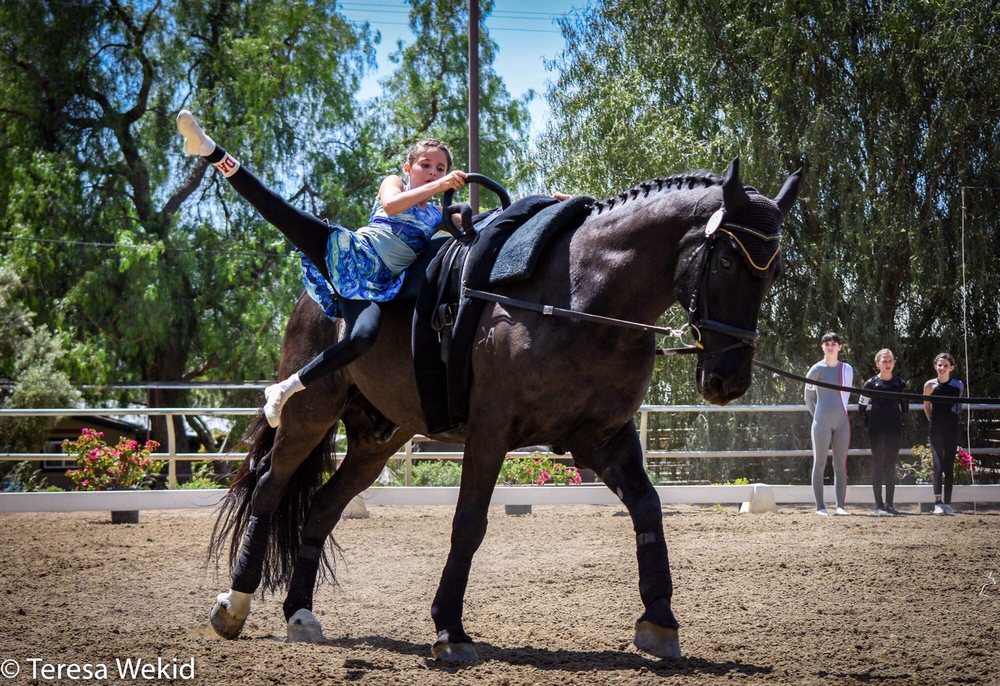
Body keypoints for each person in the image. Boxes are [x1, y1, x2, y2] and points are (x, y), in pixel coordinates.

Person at [176, 110, 467, 429]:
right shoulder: (393, 183)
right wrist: (441, 184)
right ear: (408, 168)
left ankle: (285, 388)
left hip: (374, 285)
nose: (433, 172)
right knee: (280, 210)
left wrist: (468, 216)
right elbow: (392, 205)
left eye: (441, 168)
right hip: (349, 253)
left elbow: (468, 226)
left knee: (363, 336)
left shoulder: (436, 215)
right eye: (426, 165)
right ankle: (208, 149)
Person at [805, 332, 854, 516]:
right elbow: (808, 398)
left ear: (840, 347)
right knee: (819, 463)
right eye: (827, 344)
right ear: (822, 347)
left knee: (840, 464)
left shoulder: (847, 369)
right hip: (822, 422)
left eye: (834, 343)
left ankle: (840, 506)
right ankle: (820, 506)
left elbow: (845, 397)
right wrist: (817, 418)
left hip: (842, 422)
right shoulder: (816, 369)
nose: (830, 347)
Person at [858, 349, 907, 516]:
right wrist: (870, 424)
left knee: (891, 465)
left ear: (894, 363)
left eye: (890, 361)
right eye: (884, 361)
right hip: (876, 428)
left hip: (894, 427)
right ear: (877, 363)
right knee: (878, 464)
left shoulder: (900, 384)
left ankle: (890, 505)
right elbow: (861, 408)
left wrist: (899, 423)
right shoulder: (870, 384)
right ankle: (878, 506)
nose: (887, 364)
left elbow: (905, 408)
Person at [923, 353, 965, 515]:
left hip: (951, 428)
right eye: (939, 365)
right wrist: (933, 421)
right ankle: (938, 502)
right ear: (935, 366)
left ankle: (948, 502)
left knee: (949, 465)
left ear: (951, 368)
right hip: (936, 428)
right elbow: (926, 407)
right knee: (938, 464)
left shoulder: (958, 385)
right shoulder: (929, 385)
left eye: (946, 365)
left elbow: (958, 407)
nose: (942, 368)